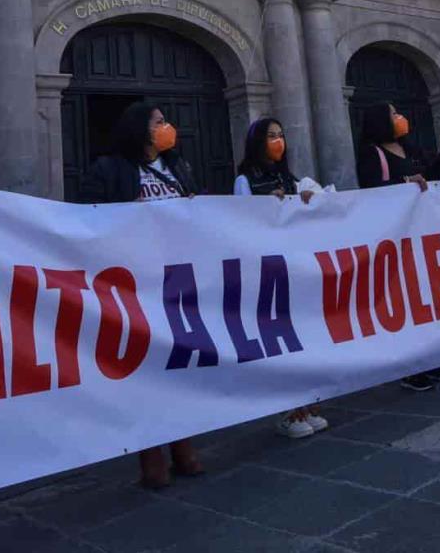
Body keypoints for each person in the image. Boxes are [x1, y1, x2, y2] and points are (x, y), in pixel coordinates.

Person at [77, 103, 204, 488]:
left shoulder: (178, 167)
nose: (168, 127)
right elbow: (86, 218)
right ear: (140, 129)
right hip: (135, 281)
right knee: (146, 367)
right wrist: (123, 215)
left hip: (177, 279)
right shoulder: (108, 169)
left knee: (179, 364)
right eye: (160, 122)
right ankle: (150, 451)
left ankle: (183, 442)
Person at [234, 118, 327, 438]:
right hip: (267, 269)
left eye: (281, 135)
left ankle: (307, 402)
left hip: (295, 266)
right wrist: (267, 206)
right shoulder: (246, 180)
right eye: (271, 136)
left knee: (302, 337)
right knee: (280, 341)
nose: (278, 141)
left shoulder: (290, 178)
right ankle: (287, 411)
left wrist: (308, 200)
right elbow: (242, 223)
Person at [356, 102, 440, 390]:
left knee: (427, 297)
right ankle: (410, 366)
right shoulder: (372, 153)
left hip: (420, 233)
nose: (399, 116)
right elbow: (370, 187)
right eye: (393, 113)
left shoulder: (409, 148)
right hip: (395, 237)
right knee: (405, 299)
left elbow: (432, 176)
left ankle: (432, 358)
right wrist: (404, 181)